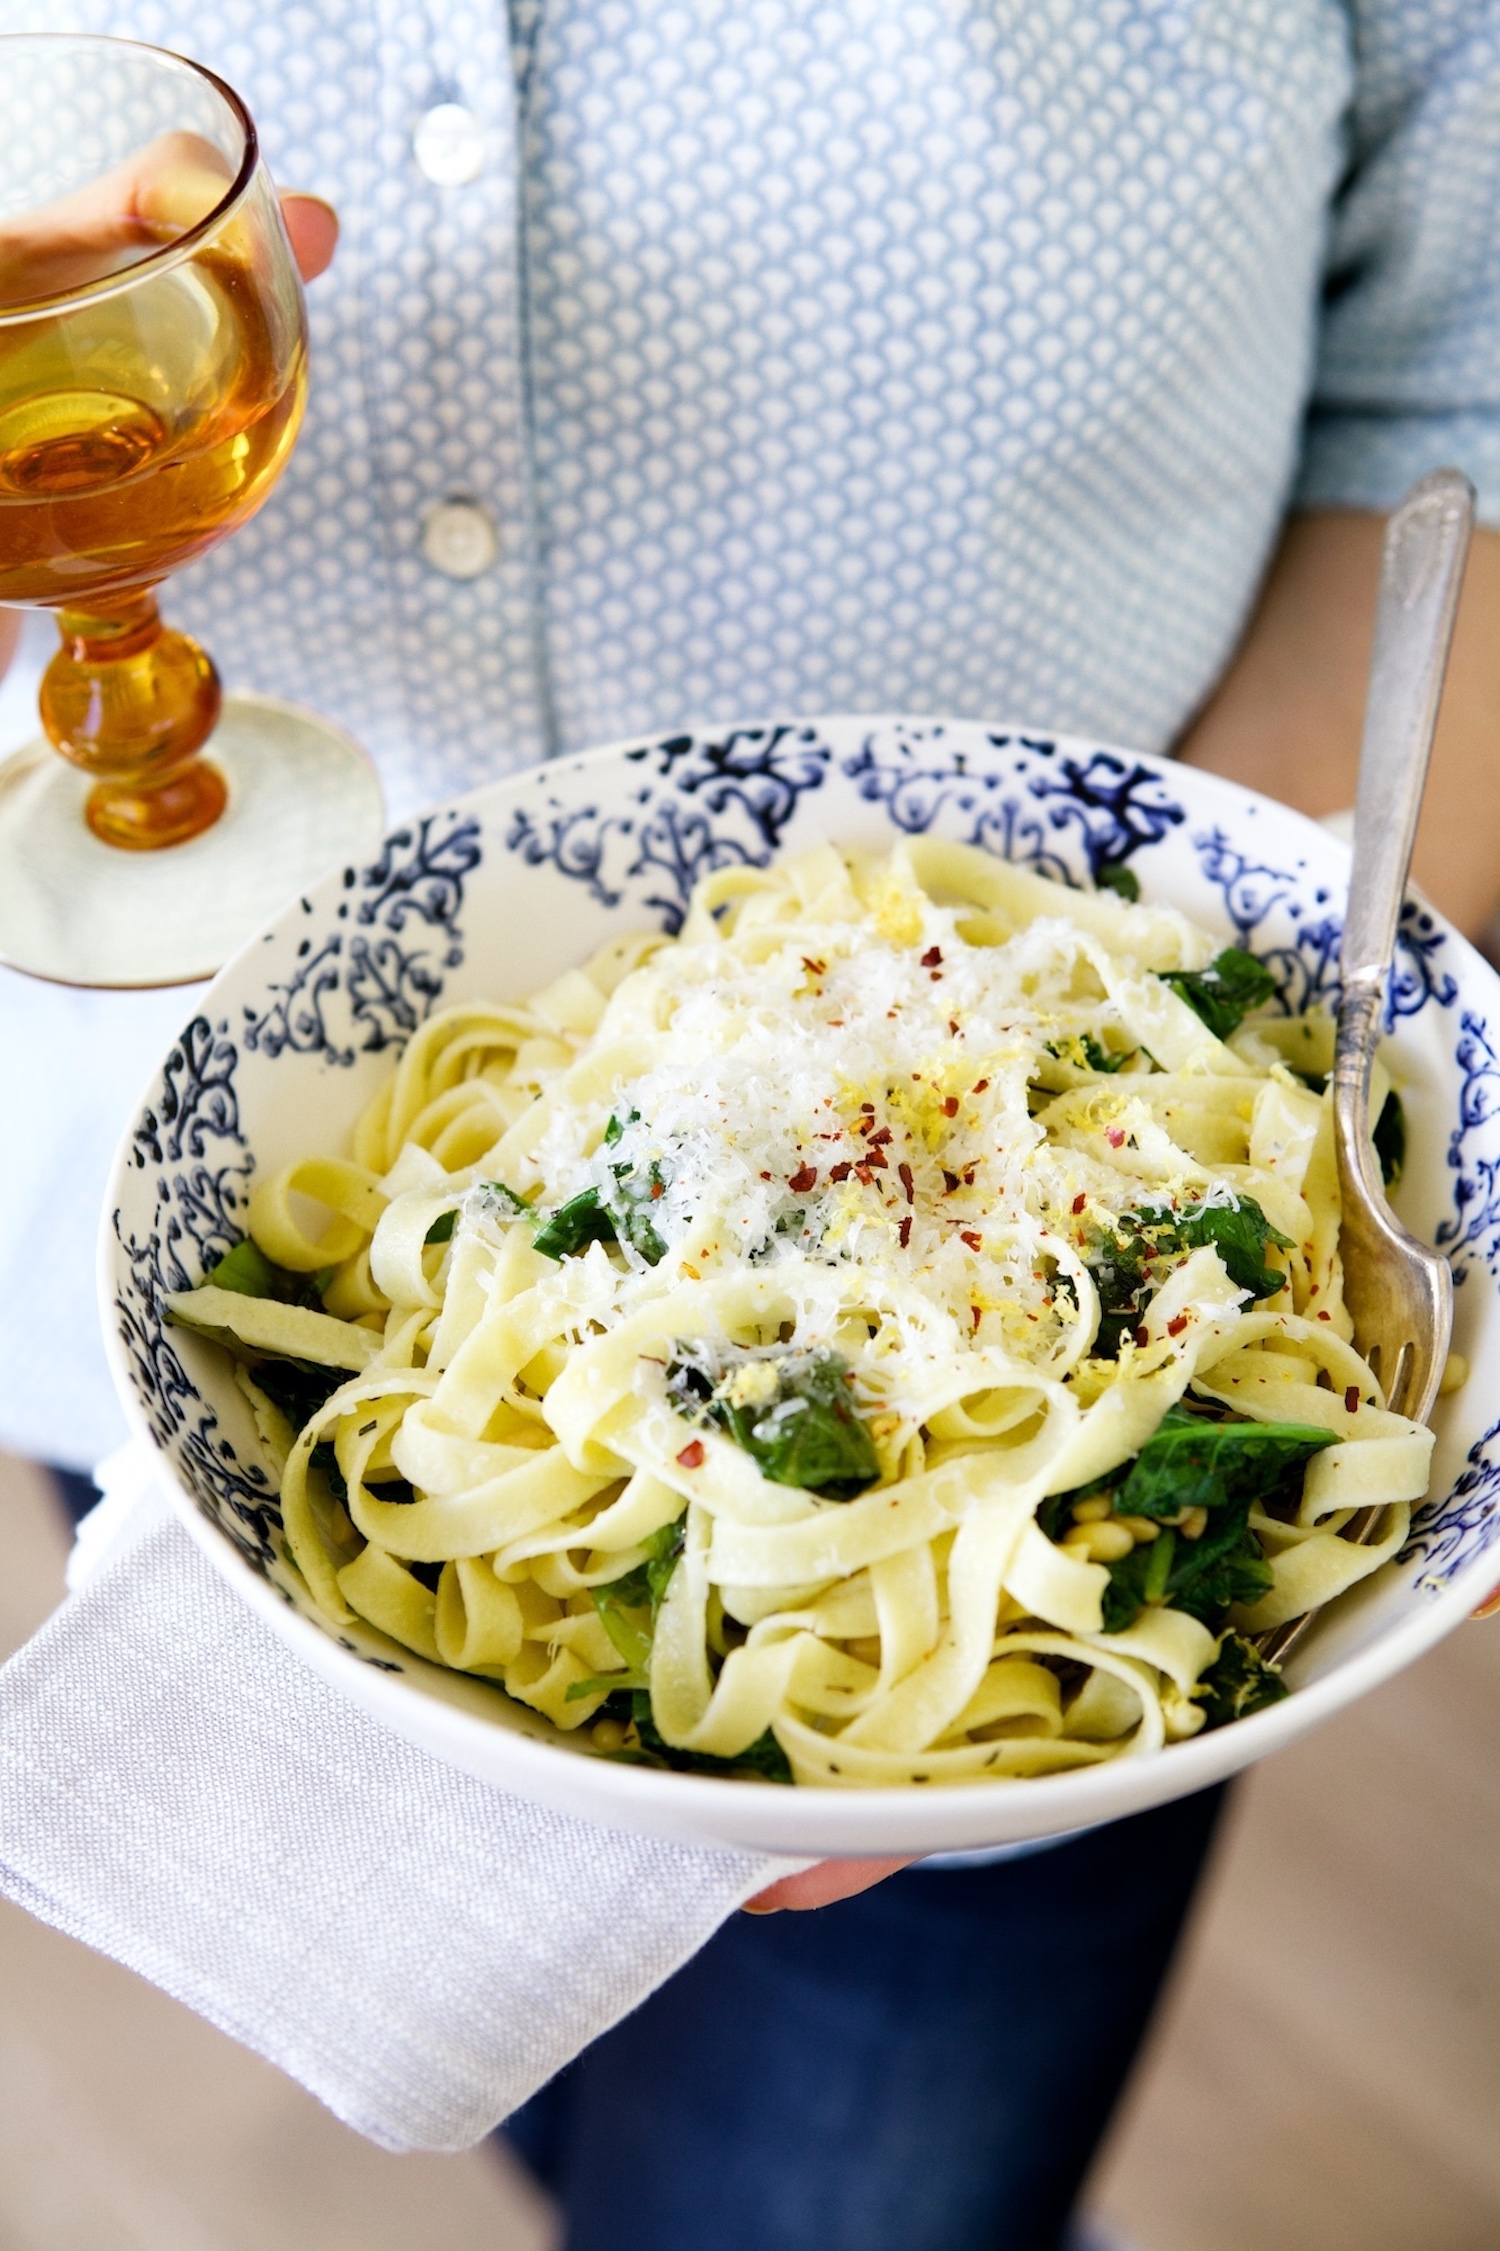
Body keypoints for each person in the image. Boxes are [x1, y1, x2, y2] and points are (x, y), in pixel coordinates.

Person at [2, 5, 1498, 2244]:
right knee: (513, 2065)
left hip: (1060, 1331)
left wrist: (1266, 1019)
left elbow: (1458, 406)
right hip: (164, 1187)